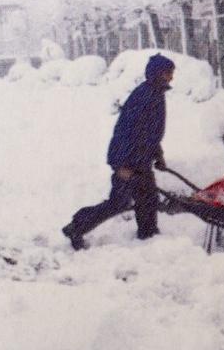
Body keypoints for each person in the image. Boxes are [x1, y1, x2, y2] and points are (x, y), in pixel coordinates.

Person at [62, 53, 175, 250]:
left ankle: (148, 236)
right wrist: (120, 164)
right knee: (119, 203)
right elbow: (124, 131)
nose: (171, 78)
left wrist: (158, 155)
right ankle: (76, 226)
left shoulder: (155, 94)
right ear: (157, 73)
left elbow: (150, 132)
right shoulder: (144, 95)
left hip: (141, 160)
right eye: (168, 73)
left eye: (171, 73)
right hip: (128, 160)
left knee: (148, 198)